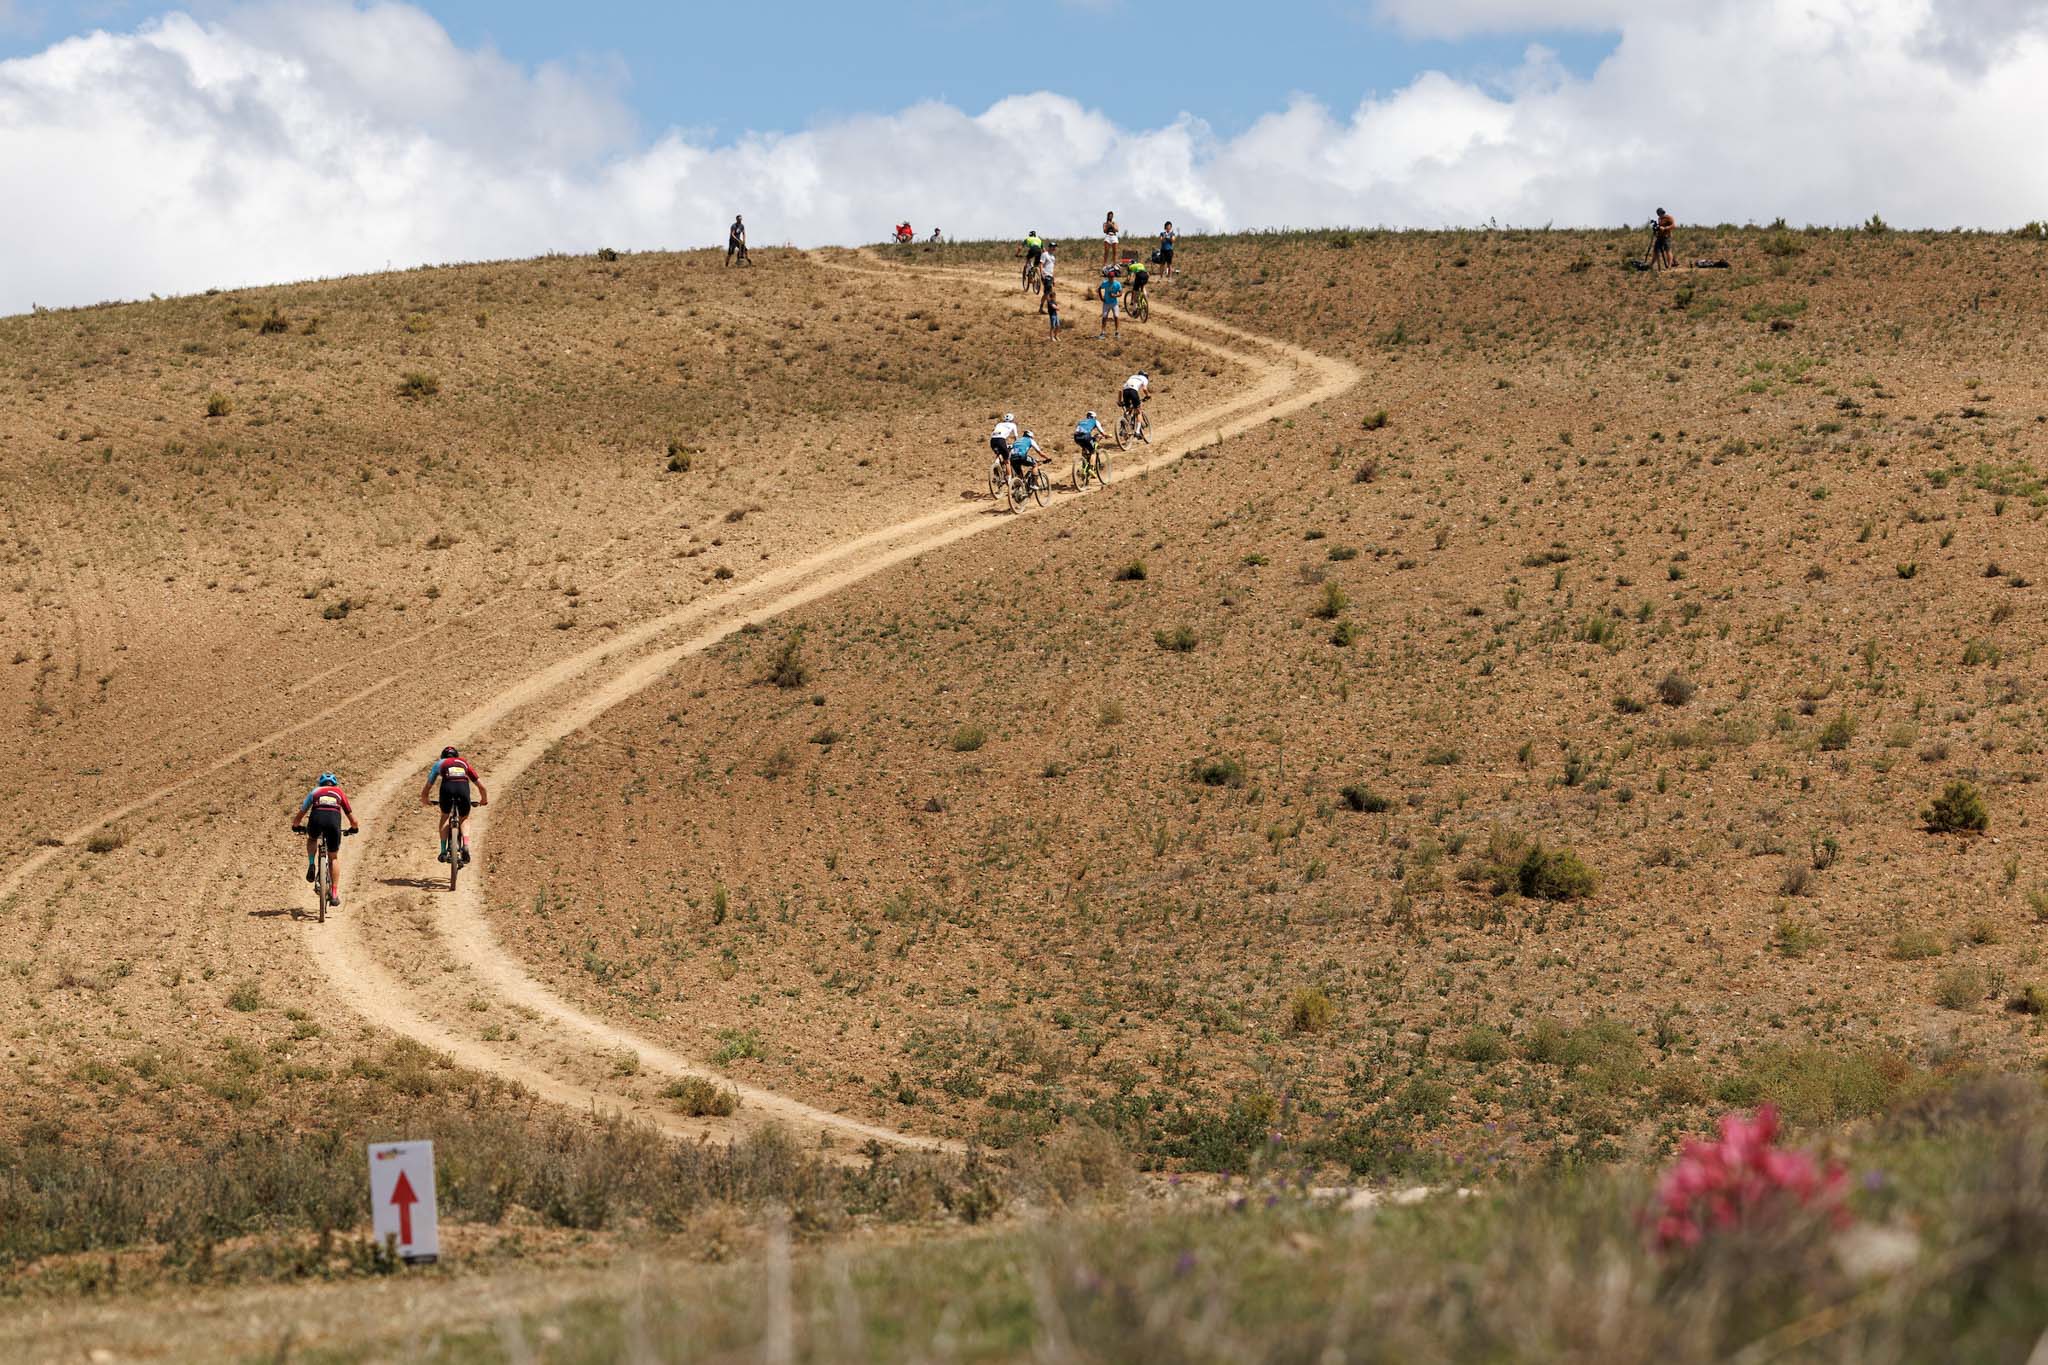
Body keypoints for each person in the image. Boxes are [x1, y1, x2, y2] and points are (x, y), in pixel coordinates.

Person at [290, 772, 360, 905]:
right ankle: (334, 894)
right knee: (333, 857)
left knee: (312, 838)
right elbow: (353, 820)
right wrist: (353, 829)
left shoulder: (315, 792)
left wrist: (296, 826)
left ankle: (312, 863)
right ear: (335, 784)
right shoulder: (339, 793)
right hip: (333, 823)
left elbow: (301, 813)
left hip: (316, 821)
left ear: (320, 783)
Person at [419, 745, 489, 865]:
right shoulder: (464, 763)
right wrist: (484, 800)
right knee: (464, 818)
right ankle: (465, 845)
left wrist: (425, 799)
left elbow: (428, 786)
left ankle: (443, 851)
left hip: (447, 789)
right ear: (456, 756)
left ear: (443, 756)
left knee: (445, 815)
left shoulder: (440, 763)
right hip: (463, 789)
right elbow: (481, 787)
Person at [1096, 268, 1123, 340]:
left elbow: (1121, 293)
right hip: (1106, 303)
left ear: (1114, 277)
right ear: (1108, 277)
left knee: (1116, 316)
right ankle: (1102, 332)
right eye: (1110, 277)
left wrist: (1115, 295)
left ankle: (1117, 332)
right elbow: (1099, 289)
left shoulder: (1117, 284)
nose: (1111, 278)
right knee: (1104, 317)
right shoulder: (1105, 283)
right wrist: (1101, 298)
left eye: (1112, 277)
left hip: (1114, 303)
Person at [1037, 242, 1057, 313]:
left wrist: (1053, 279)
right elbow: (1041, 264)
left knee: (1046, 293)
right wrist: (1042, 274)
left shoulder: (1053, 257)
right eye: (1052, 246)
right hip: (1045, 275)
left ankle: (1041, 308)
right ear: (1049, 247)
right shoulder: (1045, 254)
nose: (1054, 248)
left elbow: (1052, 268)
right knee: (1049, 292)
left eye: (1055, 247)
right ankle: (1051, 307)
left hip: (1050, 276)